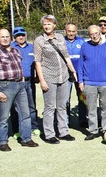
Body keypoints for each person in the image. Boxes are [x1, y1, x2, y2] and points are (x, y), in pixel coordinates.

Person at [0, 28, 39, 151]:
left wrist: (22, 81)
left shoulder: (15, 51)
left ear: (10, 38)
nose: (5, 38)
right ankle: (2, 141)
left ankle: (26, 138)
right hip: (4, 86)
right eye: (2, 37)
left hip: (20, 85)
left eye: (7, 36)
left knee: (25, 114)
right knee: (4, 116)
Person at [34, 15, 77, 144]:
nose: (47, 26)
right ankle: (49, 134)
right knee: (50, 106)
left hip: (63, 76)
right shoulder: (39, 41)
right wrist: (42, 80)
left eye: (49, 24)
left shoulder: (59, 38)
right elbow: (37, 62)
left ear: (54, 25)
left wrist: (72, 71)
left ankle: (63, 131)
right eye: (45, 24)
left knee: (62, 105)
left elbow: (66, 55)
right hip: (49, 77)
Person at [79, 25, 106, 141]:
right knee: (91, 108)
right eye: (92, 34)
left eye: (96, 33)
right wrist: (81, 81)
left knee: (105, 107)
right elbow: (81, 65)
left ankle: (105, 129)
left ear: (100, 33)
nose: (94, 36)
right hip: (90, 83)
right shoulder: (85, 46)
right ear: (89, 35)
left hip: (105, 82)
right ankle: (93, 130)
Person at [10, 27, 40, 137]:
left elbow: (37, 63)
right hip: (15, 82)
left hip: (30, 81)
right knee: (15, 107)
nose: (21, 37)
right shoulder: (11, 48)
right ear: (14, 37)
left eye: (22, 34)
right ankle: (17, 130)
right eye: (18, 35)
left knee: (31, 105)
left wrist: (37, 76)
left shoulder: (32, 47)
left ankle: (34, 127)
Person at [65, 23, 87, 128]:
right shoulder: (61, 42)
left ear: (76, 31)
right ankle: (66, 121)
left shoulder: (81, 42)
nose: (71, 33)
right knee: (65, 99)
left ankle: (83, 120)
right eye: (69, 31)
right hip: (66, 74)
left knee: (82, 97)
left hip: (80, 74)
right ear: (65, 31)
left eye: (73, 31)